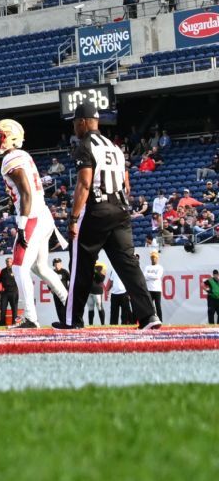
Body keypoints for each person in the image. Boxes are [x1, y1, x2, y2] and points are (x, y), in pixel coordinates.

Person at [58, 104, 159, 329]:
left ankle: (72, 320)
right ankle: (148, 316)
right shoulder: (113, 146)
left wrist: (73, 219)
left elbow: (84, 184)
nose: (74, 127)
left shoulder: (85, 146)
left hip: (96, 209)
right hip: (120, 209)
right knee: (128, 265)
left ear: (83, 121)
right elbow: (127, 184)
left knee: (80, 266)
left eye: (75, 122)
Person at [0, 119, 68, 328]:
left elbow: (25, 192)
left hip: (32, 216)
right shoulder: (21, 155)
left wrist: (22, 225)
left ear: (11, 138)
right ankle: (70, 304)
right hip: (42, 215)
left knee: (18, 267)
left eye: (0, 137)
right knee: (40, 267)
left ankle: (31, 318)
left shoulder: (11, 158)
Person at [143, 251, 165, 320]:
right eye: (152, 257)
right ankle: (149, 320)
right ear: (150, 258)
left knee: (158, 306)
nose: (153, 259)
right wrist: (153, 276)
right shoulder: (147, 267)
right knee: (149, 306)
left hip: (157, 289)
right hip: (149, 289)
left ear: (157, 258)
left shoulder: (160, 267)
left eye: (155, 257)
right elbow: (144, 276)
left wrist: (148, 276)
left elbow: (157, 277)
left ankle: (160, 321)